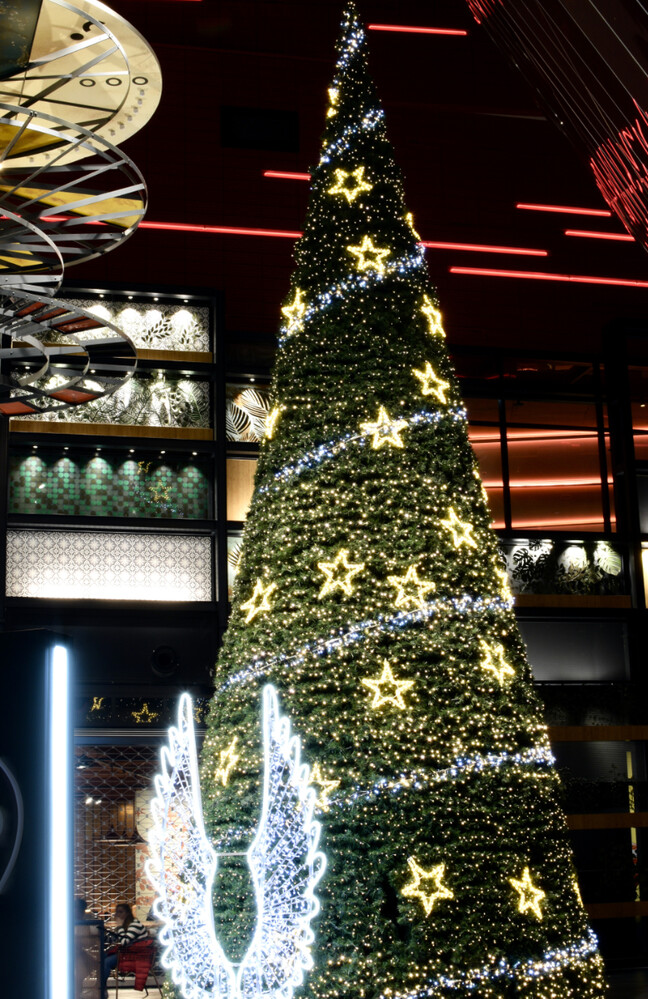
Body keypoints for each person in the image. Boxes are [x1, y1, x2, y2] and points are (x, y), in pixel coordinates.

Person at [102, 902, 149, 997]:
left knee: (106, 962)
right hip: (128, 954)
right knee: (101, 958)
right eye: (116, 912)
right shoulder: (126, 926)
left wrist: (119, 927)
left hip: (136, 957)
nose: (117, 915)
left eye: (120, 912)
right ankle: (101, 988)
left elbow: (124, 942)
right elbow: (115, 940)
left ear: (127, 913)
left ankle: (101, 989)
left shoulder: (134, 925)